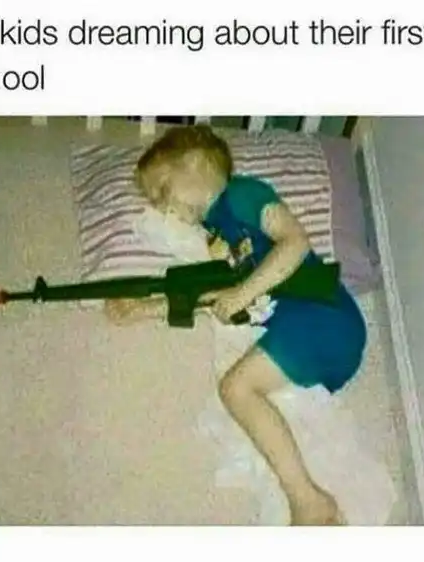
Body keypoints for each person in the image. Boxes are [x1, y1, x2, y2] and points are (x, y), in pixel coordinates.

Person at [104, 125, 367, 525]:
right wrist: (144, 309)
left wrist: (243, 294)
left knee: (235, 388)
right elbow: (213, 295)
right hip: (312, 334)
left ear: (195, 162)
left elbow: (295, 243)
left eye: (161, 189)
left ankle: (310, 501)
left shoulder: (242, 194)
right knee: (241, 391)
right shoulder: (216, 235)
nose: (161, 205)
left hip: (324, 315)